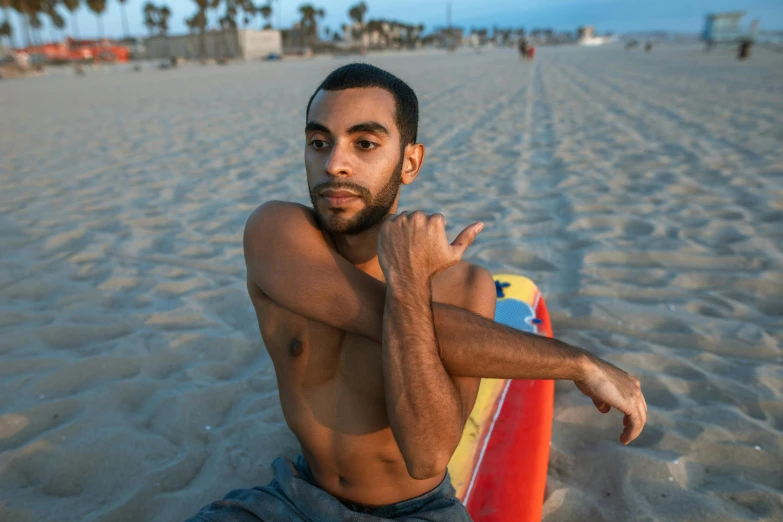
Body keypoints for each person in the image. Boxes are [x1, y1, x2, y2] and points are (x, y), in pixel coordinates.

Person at [185, 63, 647, 522]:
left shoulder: (465, 285)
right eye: (319, 142)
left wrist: (405, 278)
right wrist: (577, 363)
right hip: (295, 496)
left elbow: (427, 455)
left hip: (417, 512)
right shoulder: (277, 230)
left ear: (410, 162)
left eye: (364, 143)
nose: (334, 164)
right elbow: (371, 313)